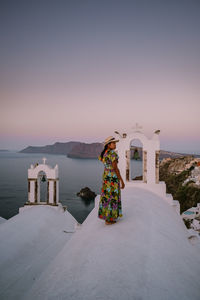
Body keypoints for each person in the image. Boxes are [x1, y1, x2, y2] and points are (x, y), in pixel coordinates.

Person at [98, 136, 125, 225]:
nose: (115, 144)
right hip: (112, 178)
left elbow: (105, 163)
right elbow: (115, 168)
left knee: (106, 196)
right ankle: (110, 219)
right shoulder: (113, 154)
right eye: (113, 143)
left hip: (106, 177)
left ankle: (106, 217)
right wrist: (121, 180)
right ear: (108, 145)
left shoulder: (104, 154)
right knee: (112, 197)